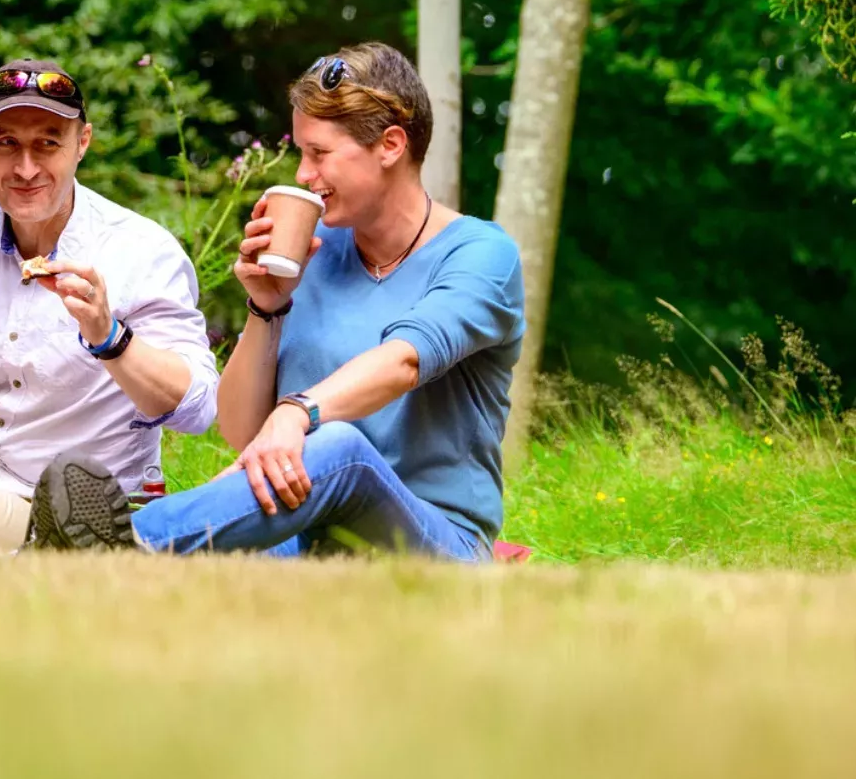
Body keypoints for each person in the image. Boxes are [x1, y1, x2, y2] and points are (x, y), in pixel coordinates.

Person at [31, 42, 525, 560]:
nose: (303, 175)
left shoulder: (481, 255)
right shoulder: (313, 253)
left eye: (320, 153)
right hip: (306, 537)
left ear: (391, 145)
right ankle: (76, 552)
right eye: (301, 154)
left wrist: (296, 414)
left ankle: (128, 541)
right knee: (214, 569)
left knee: (341, 447)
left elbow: (403, 361)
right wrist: (266, 308)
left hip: (435, 543)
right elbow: (245, 434)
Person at [0, 58, 220, 550]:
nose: (26, 168)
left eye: (48, 144)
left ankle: (46, 548)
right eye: (7, 143)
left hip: (90, 507)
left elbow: (198, 409)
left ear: (83, 143)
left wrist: (110, 337)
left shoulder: (141, 250)